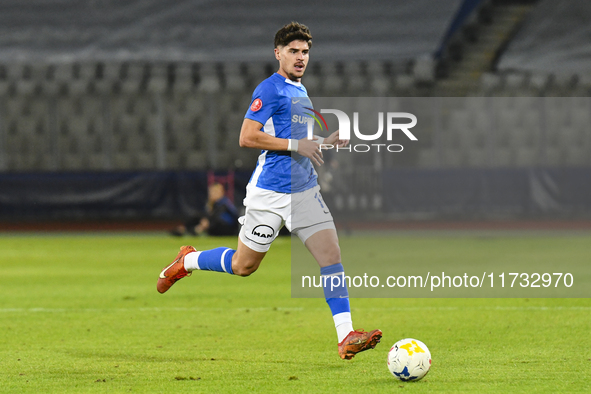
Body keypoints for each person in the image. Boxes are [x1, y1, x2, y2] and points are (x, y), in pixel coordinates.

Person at [157, 22, 381, 360]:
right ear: (278, 53)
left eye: (305, 51)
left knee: (331, 256)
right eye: (293, 51)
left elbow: (297, 143)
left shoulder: (300, 92)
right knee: (243, 265)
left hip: (304, 191)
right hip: (270, 194)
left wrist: (324, 141)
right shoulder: (270, 89)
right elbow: (247, 137)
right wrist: (297, 144)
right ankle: (186, 261)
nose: (300, 57)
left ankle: (346, 335)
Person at [169, 183, 239, 237]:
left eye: (215, 192)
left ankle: (194, 230)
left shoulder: (224, 203)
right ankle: (184, 228)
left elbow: (217, 217)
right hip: (214, 226)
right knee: (198, 216)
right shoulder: (212, 204)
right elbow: (206, 215)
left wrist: (206, 223)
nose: (213, 194)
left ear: (221, 193)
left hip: (227, 229)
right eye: (212, 192)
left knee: (213, 221)